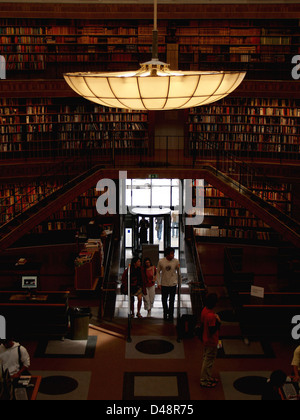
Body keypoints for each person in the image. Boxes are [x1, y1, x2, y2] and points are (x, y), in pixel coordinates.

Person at [200, 293, 221, 388]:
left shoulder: (204, 310)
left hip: (205, 339)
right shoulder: (211, 316)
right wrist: (218, 322)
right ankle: (204, 380)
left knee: (207, 359)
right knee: (208, 360)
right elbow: (213, 330)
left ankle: (208, 377)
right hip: (211, 341)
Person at [157, 247, 180, 322]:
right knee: (164, 299)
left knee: (172, 300)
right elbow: (157, 272)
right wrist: (158, 283)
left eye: (173, 253)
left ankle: (171, 314)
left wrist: (179, 282)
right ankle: (165, 311)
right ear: (167, 254)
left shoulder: (176, 261)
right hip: (164, 283)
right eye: (171, 253)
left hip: (173, 283)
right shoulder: (161, 261)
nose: (173, 255)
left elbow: (179, 272)